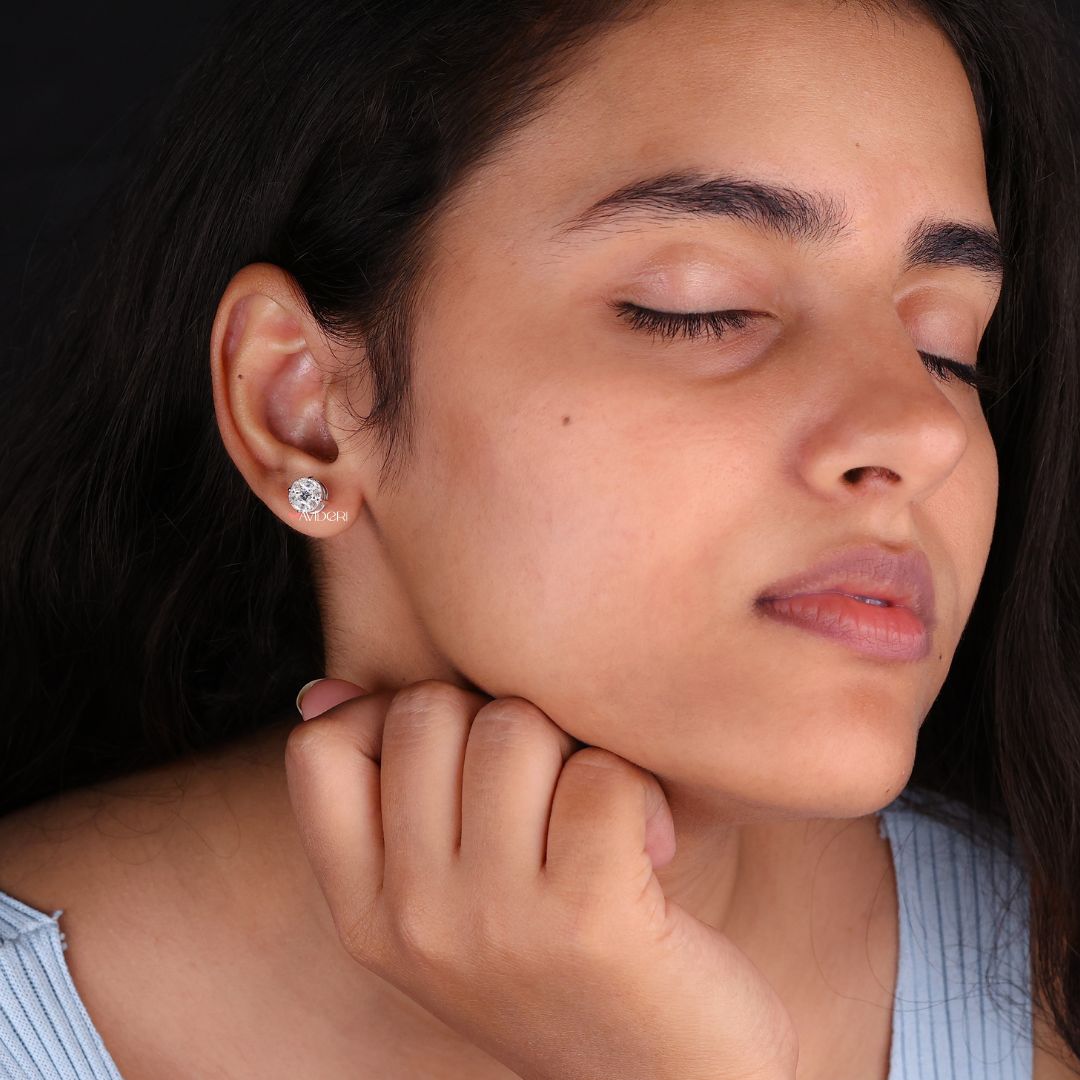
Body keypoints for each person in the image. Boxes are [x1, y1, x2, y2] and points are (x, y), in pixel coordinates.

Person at [0, 0, 1078, 1076]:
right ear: (303, 409)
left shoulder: (1051, 988)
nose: (923, 428)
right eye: (700, 305)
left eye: (948, 347)